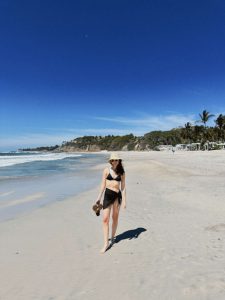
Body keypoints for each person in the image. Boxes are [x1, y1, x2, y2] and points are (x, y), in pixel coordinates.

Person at [96, 153, 126, 253]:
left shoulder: (121, 172)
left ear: (119, 161)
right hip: (108, 196)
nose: (115, 162)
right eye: (113, 160)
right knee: (105, 220)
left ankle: (113, 237)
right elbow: (102, 185)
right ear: (110, 161)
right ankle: (106, 243)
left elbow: (123, 187)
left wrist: (125, 200)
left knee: (115, 218)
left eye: (116, 160)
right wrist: (98, 198)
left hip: (117, 197)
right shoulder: (106, 170)